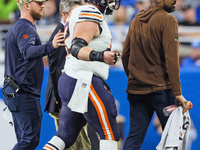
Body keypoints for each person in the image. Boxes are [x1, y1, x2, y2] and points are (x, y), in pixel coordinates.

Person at [43, 0, 122, 150]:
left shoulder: (79, 13)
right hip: (84, 79)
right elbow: (77, 47)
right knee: (109, 132)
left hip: (73, 77)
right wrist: (101, 56)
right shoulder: (90, 12)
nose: (112, 2)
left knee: (65, 135)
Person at [121, 0, 191, 149]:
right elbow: (172, 59)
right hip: (161, 91)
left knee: (134, 137)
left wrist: (136, 79)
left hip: (136, 89)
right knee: (174, 139)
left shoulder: (135, 20)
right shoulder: (168, 19)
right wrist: (177, 93)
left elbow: (124, 56)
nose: (175, 1)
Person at [1, 0, 65, 149]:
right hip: (23, 93)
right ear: (26, 5)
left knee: (25, 139)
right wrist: (51, 46)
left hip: (16, 91)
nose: (43, 5)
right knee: (30, 140)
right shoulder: (25, 27)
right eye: (39, 2)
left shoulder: (21, 27)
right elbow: (27, 51)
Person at [44, 0, 92, 150]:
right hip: (65, 102)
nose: (80, 17)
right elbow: (57, 70)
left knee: (81, 143)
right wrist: (61, 102)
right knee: (77, 145)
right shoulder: (61, 36)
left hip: (71, 99)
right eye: (76, 13)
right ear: (64, 15)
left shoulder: (69, 32)